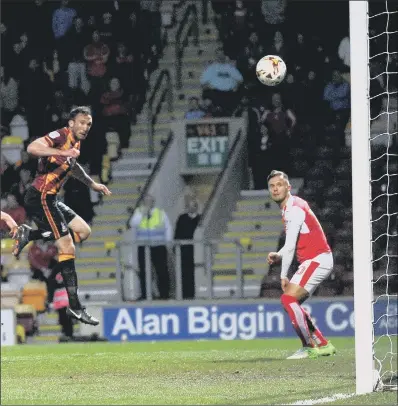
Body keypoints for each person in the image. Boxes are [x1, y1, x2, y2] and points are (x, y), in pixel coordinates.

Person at [12, 106, 112, 326]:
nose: (86, 127)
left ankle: (30, 235)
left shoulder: (75, 144)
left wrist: (93, 184)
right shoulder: (61, 136)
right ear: (71, 123)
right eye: (82, 122)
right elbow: (33, 147)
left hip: (52, 199)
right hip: (40, 196)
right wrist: (62, 152)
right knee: (67, 246)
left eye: (89, 124)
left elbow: (73, 167)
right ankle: (75, 307)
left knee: (84, 231)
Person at [266, 170, 336, 359]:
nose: (275, 189)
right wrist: (279, 255)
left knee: (288, 299)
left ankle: (309, 347)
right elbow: (292, 244)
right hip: (315, 259)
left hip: (318, 259)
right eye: (272, 186)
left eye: (279, 185)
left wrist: (283, 275)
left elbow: (290, 245)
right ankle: (323, 343)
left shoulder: (294, 209)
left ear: (288, 187)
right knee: (291, 302)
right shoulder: (290, 206)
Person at [129, 194, 172, 300]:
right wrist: (143, 214)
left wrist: (168, 242)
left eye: (150, 201)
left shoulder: (160, 213)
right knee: (144, 271)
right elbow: (133, 224)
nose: (148, 203)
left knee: (161, 271)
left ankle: (164, 294)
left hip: (159, 246)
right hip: (143, 247)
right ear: (143, 202)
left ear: (153, 202)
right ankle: (145, 295)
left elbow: (168, 228)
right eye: (146, 201)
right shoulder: (139, 212)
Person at [174, 198, 201, 299]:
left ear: (196, 207)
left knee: (194, 272)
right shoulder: (182, 218)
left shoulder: (200, 219)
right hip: (183, 250)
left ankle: (194, 293)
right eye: (189, 206)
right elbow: (177, 234)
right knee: (184, 273)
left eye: (193, 205)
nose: (191, 208)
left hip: (195, 250)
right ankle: (184, 294)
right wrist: (175, 248)